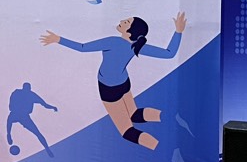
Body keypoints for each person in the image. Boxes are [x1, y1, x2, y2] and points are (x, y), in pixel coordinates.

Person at [40, 13, 186, 150]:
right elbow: (169, 53)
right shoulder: (136, 45)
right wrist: (178, 32)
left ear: (130, 31)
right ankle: (169, 117)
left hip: (109, 89)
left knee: (127, 131)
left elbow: (83, 48)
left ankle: (161, 148)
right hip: (124, 83)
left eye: (126, 22)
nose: (122, 21)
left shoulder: (112, 41)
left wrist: (59, 39)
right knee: (134, 114)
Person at [7, 82, 57, 156]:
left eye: (28, 89)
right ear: (23, 88)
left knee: (37, 133)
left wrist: (52, 107)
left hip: (24, 116)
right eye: (26, 88)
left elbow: (44, 104)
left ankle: (47, 149)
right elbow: (11, 103)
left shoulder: (31, 95)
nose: (27, 90)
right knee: (9, 121)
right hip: (15, 113)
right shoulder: (17, 93)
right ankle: (9, 134)